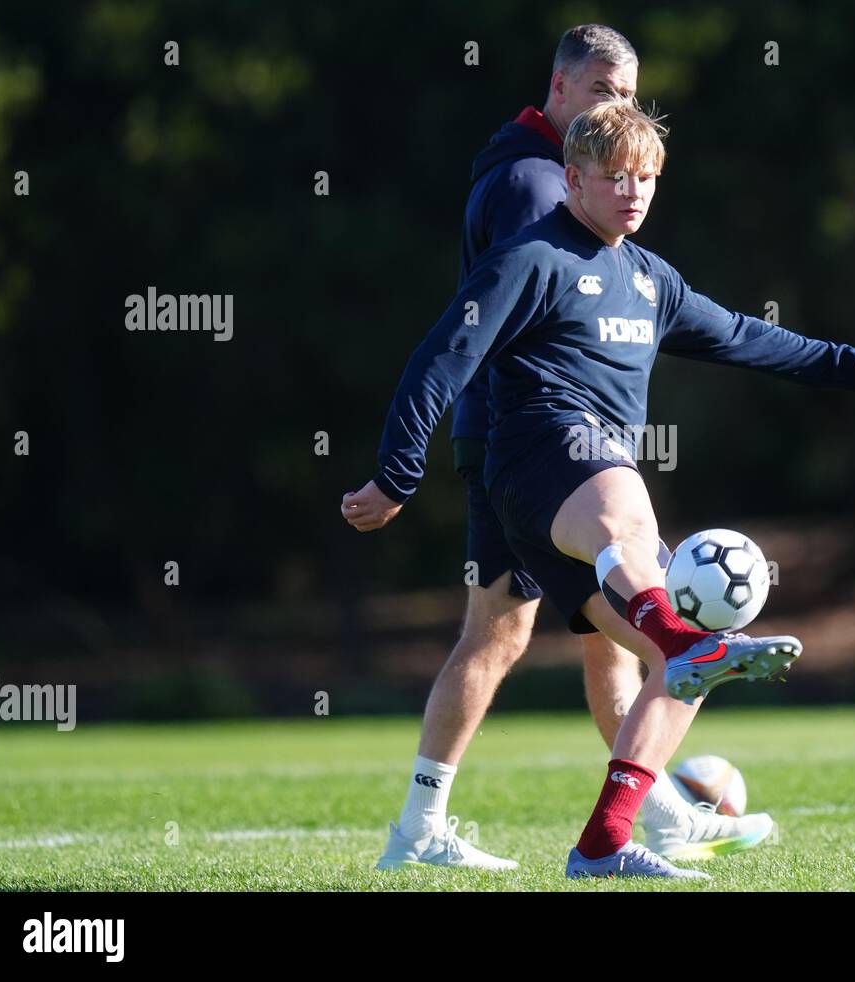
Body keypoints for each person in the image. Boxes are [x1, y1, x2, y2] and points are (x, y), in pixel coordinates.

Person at [342, 101, 855, 879]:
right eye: (614, 177)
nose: (631, 191)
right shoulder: (532, 257)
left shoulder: (652, 279)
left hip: (577, 496)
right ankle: (686, 644)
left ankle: (603, 844)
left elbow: (754, 340)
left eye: (645, 178)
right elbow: (443, 355)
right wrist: (397, 471)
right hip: (536, 457)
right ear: (573, 179)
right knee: (628, 511)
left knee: (673, 668)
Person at [357, 25, 772, 872]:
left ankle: (445, 825)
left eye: (626, 96)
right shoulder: (533, 184)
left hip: (529, 442)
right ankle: (634, 810)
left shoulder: (560, 179)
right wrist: (408, 465)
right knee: (575, 628)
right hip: (531, 444)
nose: (615, 110)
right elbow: (499, 322)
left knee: (529, 637)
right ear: (559, 86)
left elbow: (729, 333)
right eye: (600, 92)